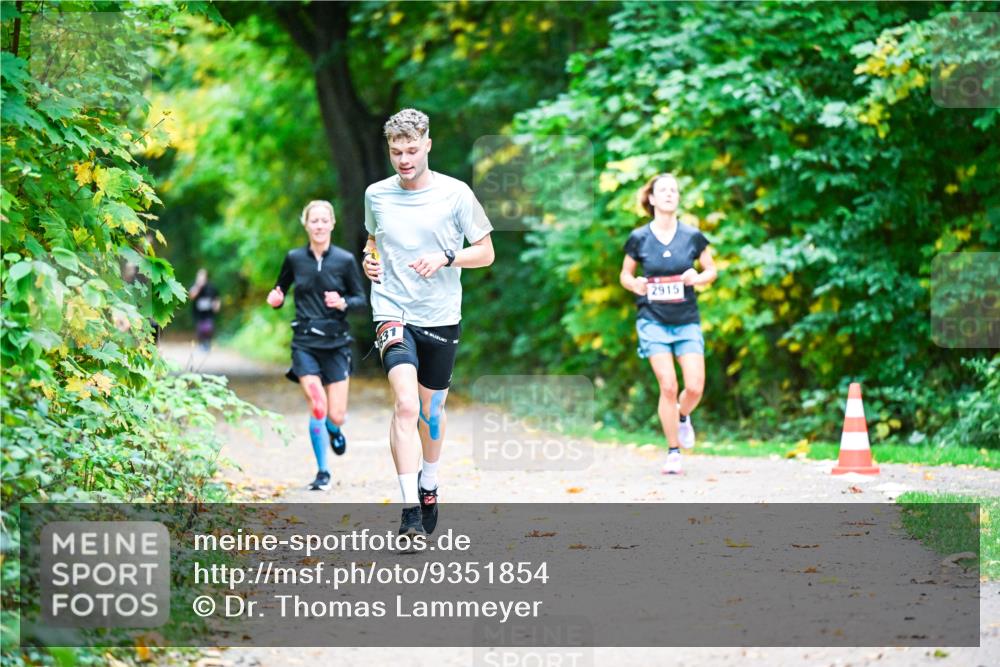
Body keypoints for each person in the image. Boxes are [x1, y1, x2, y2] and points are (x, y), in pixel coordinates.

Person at [361, 108, 494, 537]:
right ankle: (409, 512)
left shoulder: (456, 194)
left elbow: (486, 252)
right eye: (396, 151)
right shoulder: (376, 194)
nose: (404, 159)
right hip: (392, 310)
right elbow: (372, 238)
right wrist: (369, 259)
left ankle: (429, 481)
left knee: (431, 413)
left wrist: (447, 257)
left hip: (440, 315)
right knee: (404, 404)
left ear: (428, 146)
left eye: (412, 150)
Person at [620, 173, 717, 475]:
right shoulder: (639, 237)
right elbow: (625, 275)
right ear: (650, 198)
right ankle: (673, 451)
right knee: (668, 385)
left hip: (686, 320)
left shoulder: (691, 236)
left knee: (695, 387)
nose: (669, 194)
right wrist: (634, 284)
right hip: (653, 320)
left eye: (673, 190)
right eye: (662, 190)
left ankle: (683, 416)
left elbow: (711, 269)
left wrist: (697, 277)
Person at [267, 200, 366, 491]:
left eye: (325, 220)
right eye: (314, 221)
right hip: (305, 343)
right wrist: (276, 298)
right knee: (318, 406)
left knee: (336, 415)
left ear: (332, 224)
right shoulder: (294, 258)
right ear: (306, 224)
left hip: (336, 343)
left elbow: (362, 301)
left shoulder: (345, 261)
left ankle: (335, 430)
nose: (320, 226)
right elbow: (279, 289)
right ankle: (322, 471)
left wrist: (343, 302)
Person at [189, 268, 220, 350]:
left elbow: (216, 298)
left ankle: (208, 343)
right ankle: (202, 344)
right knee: (200, 330)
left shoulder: (211, 287)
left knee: (209, 328)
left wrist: (216, 305)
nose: (201, 278)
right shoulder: (195, 286)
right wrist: (198, 286)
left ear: (206, 277)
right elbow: (191, 296)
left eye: (203, 276)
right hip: (198, 314)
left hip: (209, 313)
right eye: (199, 276)